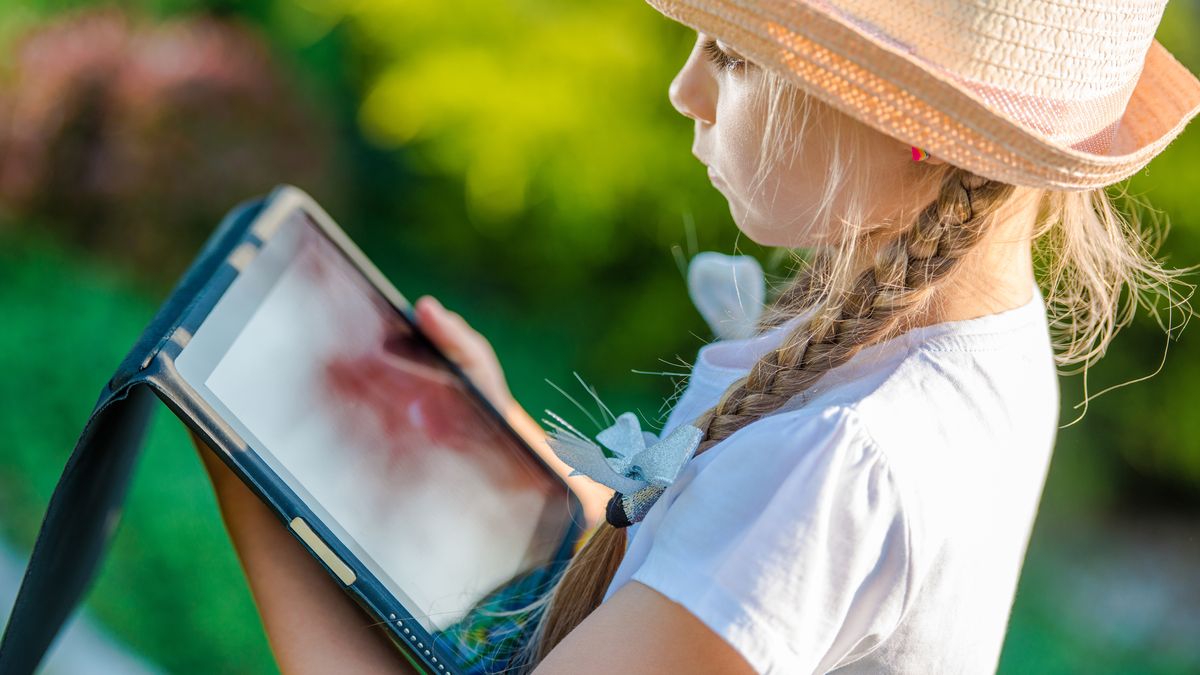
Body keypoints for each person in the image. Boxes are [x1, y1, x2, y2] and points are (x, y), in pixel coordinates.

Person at [191, 0, 1200, 673]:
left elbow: (763, 535)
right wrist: (500, 440)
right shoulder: (964, 340)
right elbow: (691, 577)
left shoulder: (845, 461)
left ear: (914, 123)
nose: (686, 90)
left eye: (734, 54)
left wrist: (243, 466)